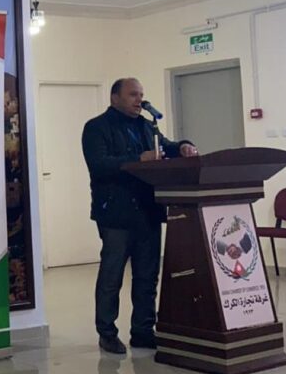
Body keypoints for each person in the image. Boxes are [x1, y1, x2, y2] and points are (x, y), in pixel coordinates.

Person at [81, 78, 198, 355]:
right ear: (115, 98)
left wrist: (183, 146)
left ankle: (143, 331)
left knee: (147, 275)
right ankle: (107, 333)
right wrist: (138, 160)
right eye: (133, 94)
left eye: (141, 94)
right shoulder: (97, 127)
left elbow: (166, 146)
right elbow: (99, 165)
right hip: (116, 214)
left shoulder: (147, 126)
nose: (139, 100)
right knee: (112, 277)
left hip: (148, 211)